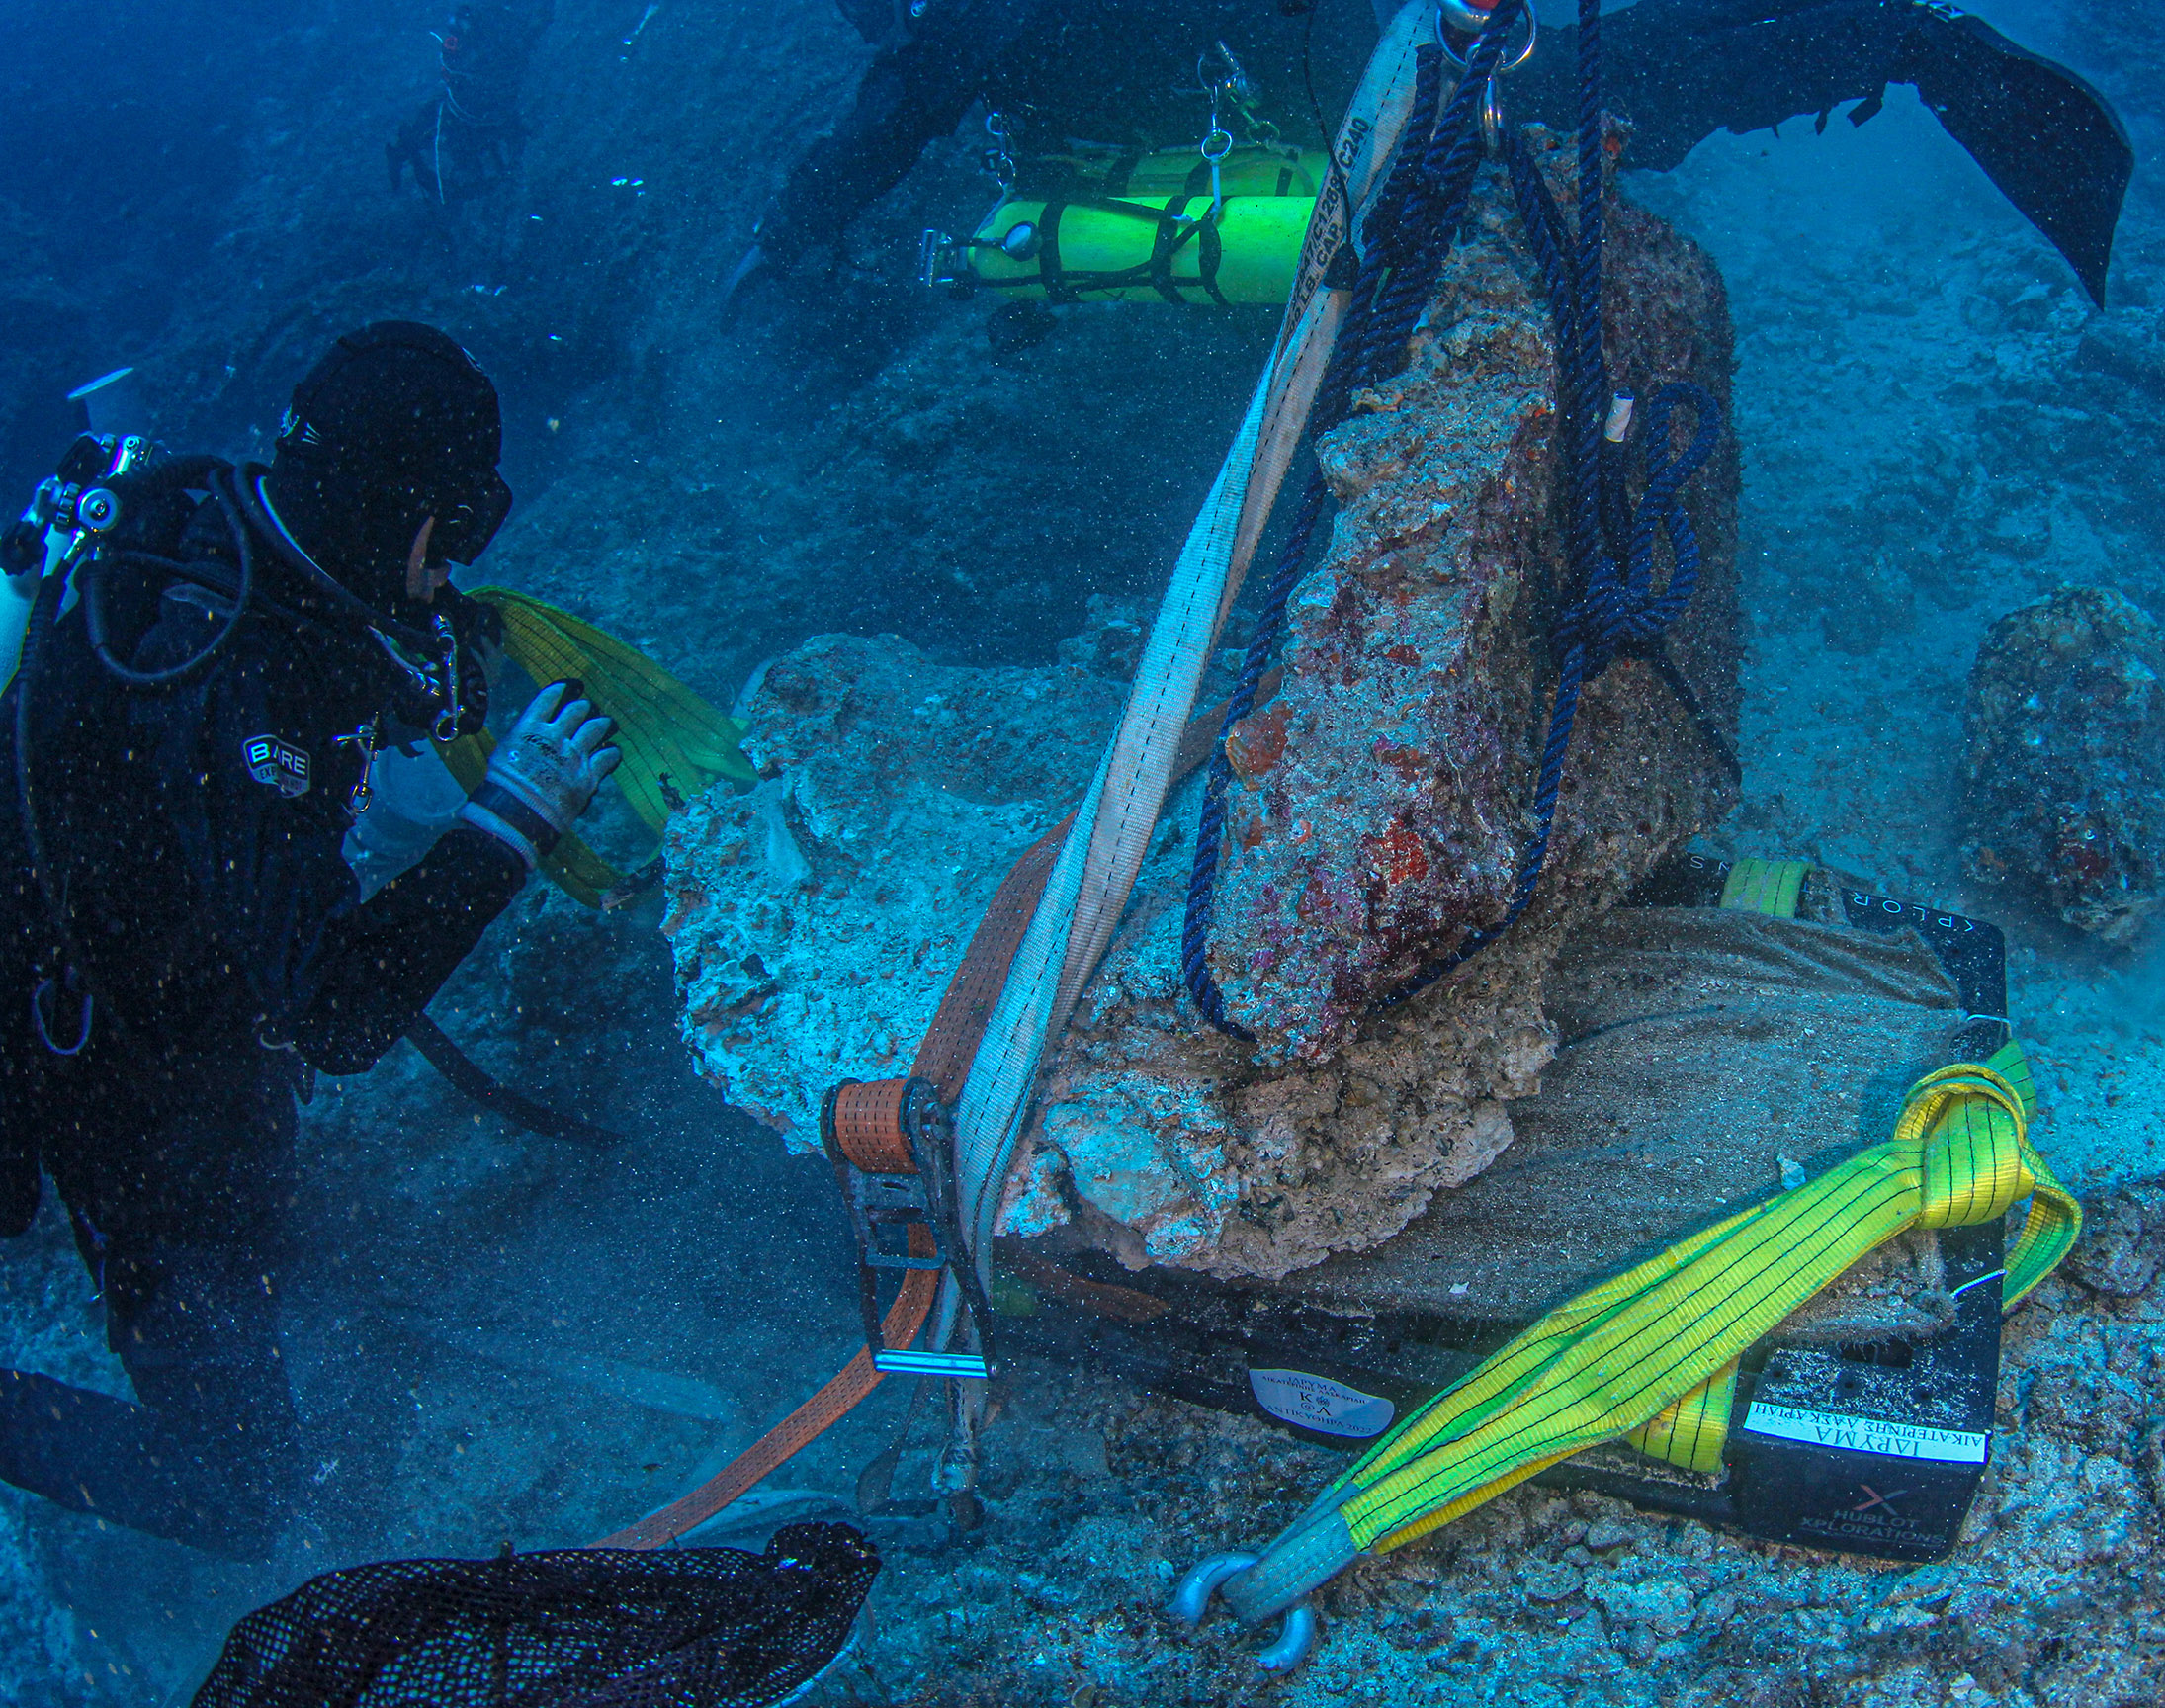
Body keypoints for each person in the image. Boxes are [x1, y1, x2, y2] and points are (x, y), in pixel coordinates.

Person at [0, 322, 619, 1559]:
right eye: (456, 530)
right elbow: (334, 1013)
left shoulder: (233, 540)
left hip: (172, 1016)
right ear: (387, 505)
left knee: (263, 1222)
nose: (454, 570)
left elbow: (335, 728)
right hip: (93, 1074)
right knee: (241, 1495)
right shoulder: (234, 675)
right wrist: (512, 825)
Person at [729, 0, 2127, 307]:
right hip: (1327, 41)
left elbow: (863, 146)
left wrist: (770, 263)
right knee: (1593, 81)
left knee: (1561, 102)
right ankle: (1897, 41)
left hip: (1333, 64)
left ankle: (1905, 44)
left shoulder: (942, 39)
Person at [389, 0, 558, 204]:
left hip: (484, 111)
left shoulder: (492, 26)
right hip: (486, 111)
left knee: (461, 143)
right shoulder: (502, 27)